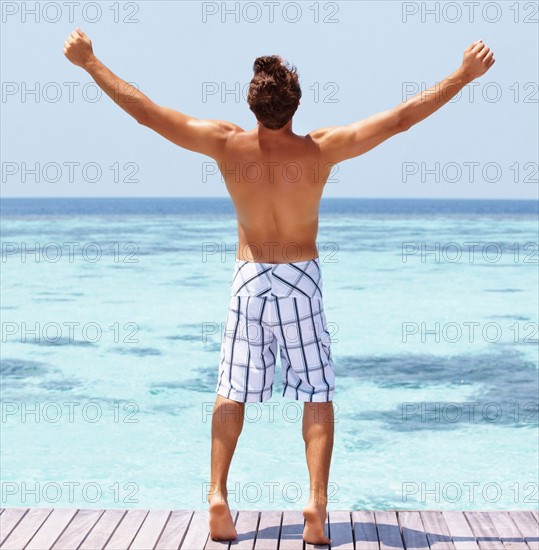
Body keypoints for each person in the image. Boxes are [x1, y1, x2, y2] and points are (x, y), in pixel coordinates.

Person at [64, 29, 495, 544]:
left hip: (250, 277)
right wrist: (463, 76)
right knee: (317, 391)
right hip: (301, 279)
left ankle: (218, 497)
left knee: (231, 390)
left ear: (252, 103)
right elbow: (401, 119)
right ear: (295, 104)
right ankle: (315, 504)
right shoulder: (320, 150)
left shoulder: (225, 145)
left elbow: (147, 113)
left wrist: (91, 63)